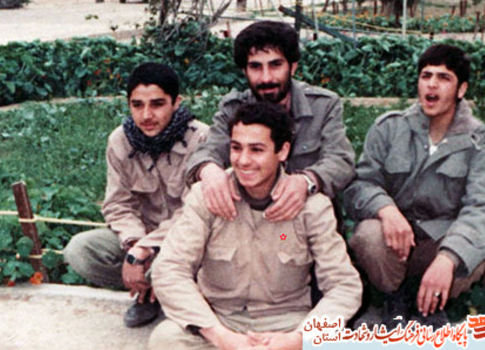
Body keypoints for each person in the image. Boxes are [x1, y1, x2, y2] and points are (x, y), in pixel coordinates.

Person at [150, 102, 362, 349]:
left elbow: (343, 285)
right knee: (165, 340)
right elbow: (169, 269)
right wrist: (222, 337)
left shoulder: (313, 207)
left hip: (287, 324)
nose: (243, 160)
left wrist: (297, 339)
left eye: (256, 150)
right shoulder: (206, 196)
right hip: (219, 319)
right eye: (236, 148)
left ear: (282, 151)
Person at [343, 43, 485, 329]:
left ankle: (430, 305)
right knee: (368, 235)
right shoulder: (389, 128)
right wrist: (386, 210)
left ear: (461, 89)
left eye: (444, 78)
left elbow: (483, 208)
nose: (432, 84)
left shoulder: (478, 141)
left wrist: (448, 258)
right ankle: (393, 298)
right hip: (395, 244)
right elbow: (360, 185)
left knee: (480, 247)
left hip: (442, 242)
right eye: (426, 75)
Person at [63, 62, 208, 328]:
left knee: (204, 261)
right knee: (81, 250)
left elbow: (194, 213)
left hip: (191, 241)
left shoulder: (201, 139)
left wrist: (147, 249)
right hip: (143, 237)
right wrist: (134, 246)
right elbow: (118, 204)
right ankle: (150, 290)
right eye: (137, 105)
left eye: (157, 104)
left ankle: (175, 295)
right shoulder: (120, 140)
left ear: (176, 102)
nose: (146, 115)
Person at [186, 20, 355, 225]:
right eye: (256, 67)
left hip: (305, 223)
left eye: (275, 65)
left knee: (285, 240)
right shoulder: (234, 108)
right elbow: (207, 151)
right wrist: (209, 171)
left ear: (292, 67)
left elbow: (341, 161)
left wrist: (306, 181)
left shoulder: (323, 105)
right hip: (251, 222)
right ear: (244, 71)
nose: (266, 78)